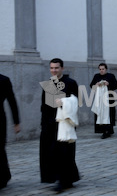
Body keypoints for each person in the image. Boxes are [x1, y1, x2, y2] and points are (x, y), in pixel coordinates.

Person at [40, 58, 80, 192]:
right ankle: (67, 178)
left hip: (65, 123)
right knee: (53, 152)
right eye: (51, 68)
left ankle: (63, 181)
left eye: (56, 68)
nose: (54, 70)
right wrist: (43, 124)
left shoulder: (70, 83)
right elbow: (44, 106)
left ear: (62, 68)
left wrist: (64, 102)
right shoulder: (48, 84)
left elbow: (75, 101)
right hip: (51, 124)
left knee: (65, 153)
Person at [0, 74, 20, 189]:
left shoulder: (4, 80)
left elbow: (11, 100)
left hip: (0, 119)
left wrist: (16, 122)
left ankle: (4, 177)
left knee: (0, 148)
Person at [90, 63, 117, 139]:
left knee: (109, 114)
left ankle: (109, 130)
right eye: (100, 69)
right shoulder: (96, 76)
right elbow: (91, 86)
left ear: (106, 69)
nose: (101, 70)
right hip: (99, 99)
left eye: (103, 69)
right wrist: (96, 84)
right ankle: (103, 131)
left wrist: (109, 84)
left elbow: (116, 85)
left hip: (109, 98)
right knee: (101, 114)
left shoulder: (111, 76)